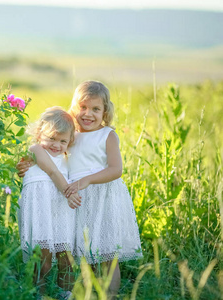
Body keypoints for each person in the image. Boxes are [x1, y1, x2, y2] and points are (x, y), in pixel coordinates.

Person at [17, 81, 142, 299]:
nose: (88, 114)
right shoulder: (70, 134)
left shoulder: (107, 135)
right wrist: (27, 163)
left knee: (105, 255)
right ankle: (78, 292)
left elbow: (116, 169)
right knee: (83, 253)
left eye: (95, 109)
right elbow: (51, 154)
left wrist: (86, 181)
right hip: (75, 201)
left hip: (102, 197)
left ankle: (108, 296)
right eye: (83, 107)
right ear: (75, 107)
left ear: (105, 111)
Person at [17, 106, 81, 299]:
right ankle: (39, 293)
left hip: (61, 209)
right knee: (43, 259)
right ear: (39, 133)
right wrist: (69, 193)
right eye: (51, 138)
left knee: (66, 258)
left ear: (70, 141)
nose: (56, 145)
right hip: (40, 208)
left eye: (62, 141)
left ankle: (66, 293)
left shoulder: (67, 157)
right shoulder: (35, 150)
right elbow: (52, 172)